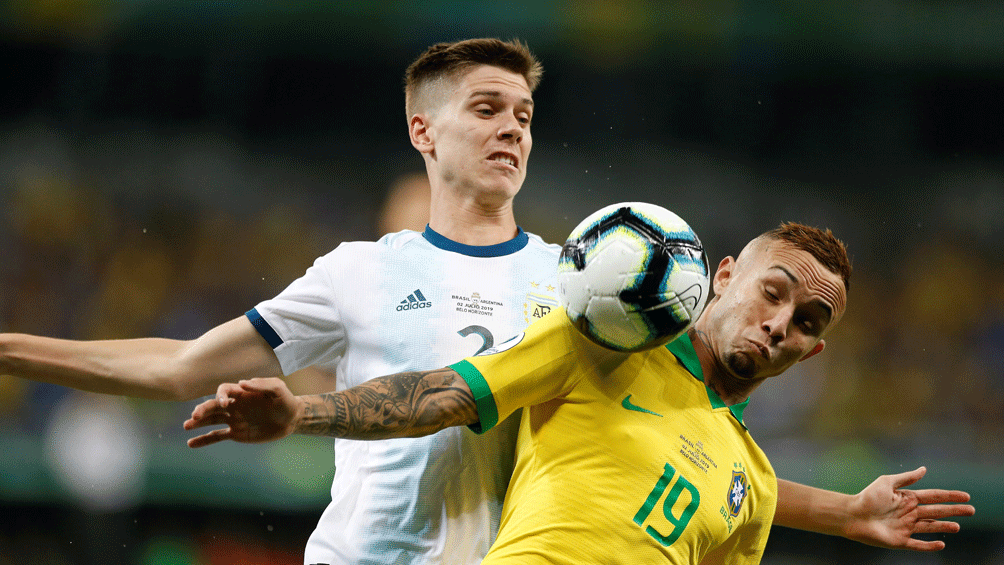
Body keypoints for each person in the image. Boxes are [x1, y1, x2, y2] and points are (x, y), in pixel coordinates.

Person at [0, 39, 972, 564]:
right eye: (486, 109)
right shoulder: (356, 271)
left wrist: (839, 511)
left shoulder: (585, 288)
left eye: (525, 115)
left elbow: (684, 454)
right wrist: (11, 348)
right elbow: (178, 366)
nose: (512, 129)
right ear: (422, 131)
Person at [185, 222, 972, 564]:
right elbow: (444, 395)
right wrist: (303, 411)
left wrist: (846, 510)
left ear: (815, 349)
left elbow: (747, 487)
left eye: (805, 321)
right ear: (723, 275)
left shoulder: (751, 482)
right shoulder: (605, 344)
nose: (780, 324)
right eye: (772, 292)